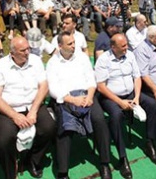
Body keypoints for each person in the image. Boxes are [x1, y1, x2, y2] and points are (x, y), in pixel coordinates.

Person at [46, 32, 113, 179]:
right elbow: (53, 88)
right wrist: (71, 99)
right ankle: (63, 172)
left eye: (73, 42)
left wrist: (89, 96)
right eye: (69, 44)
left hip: (86, 95)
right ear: (60, 46)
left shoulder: (82, 57)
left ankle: (104, 163)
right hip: (65, 99)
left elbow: (91, 78)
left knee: (99, 121)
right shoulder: (53, 63)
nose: (73, 46)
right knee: (65, 129)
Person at [0, 37, 57, 179]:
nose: (27, 52)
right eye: (23, 50)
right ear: (12, 53)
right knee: (4, 140)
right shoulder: (0, 66)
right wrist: (15, 115)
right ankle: (10, 173)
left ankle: (33, 160)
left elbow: (44, 87)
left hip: (32, 104)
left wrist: (33, 110)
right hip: (7, 109)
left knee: (48, 128)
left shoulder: (35, 61)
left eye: (28, 48)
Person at [95, 34, 147, 177]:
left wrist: (136, 97)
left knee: (153, 105)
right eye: (123, 46)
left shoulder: (130, 55)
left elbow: (137, 77)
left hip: (131, 94)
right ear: (113, 47)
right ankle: (123, 157)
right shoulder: (103, 60)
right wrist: (120, 102)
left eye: (126, 45)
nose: (126, 48)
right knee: (116, 115)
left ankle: (151, 143)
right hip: (110, 97)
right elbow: (101, 87)